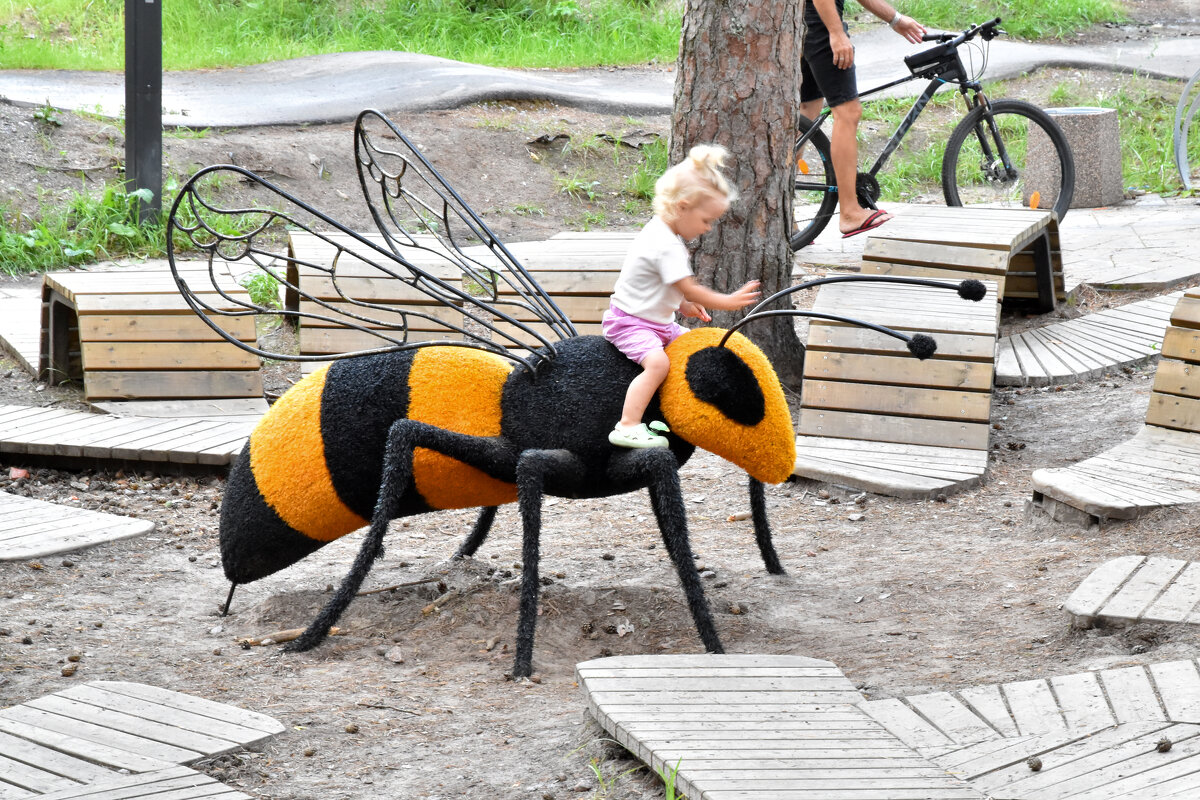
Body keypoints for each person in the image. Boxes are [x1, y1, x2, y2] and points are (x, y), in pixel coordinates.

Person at [603, 144, 761, 449]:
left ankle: (661, 411)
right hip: (631, 324)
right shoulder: (666, 245)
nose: (708, 228)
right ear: (682, 207)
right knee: (659, 365)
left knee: (689, 347)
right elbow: (688, 286)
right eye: (706, 220)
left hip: (655, 321)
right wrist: (726, 301)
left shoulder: (661, 232)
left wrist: (683, 306)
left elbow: (662, 285)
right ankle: (627, 425)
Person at [800, 0, 926, 237]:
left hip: (803, 20)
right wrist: (836, 33)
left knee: (807, 111)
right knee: (847, 112)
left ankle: (783, 213)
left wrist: (895, 19)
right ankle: (849, 212)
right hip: (821, 20)